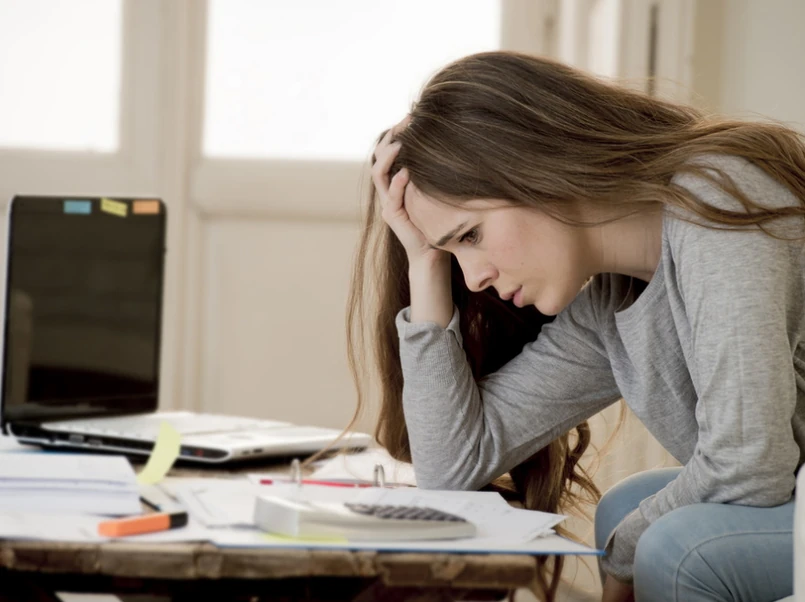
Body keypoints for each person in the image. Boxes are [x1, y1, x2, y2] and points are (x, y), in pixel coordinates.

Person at [347, 50, 805, 602]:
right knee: (626, 505)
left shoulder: (722, 197)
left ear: (535, 167)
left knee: (669, 545)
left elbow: (749, 465)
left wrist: (625, 549)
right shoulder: (610, 304)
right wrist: (424, 262)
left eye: (470, 236)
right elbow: (453, 467)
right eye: (452, 254)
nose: (472, 279)